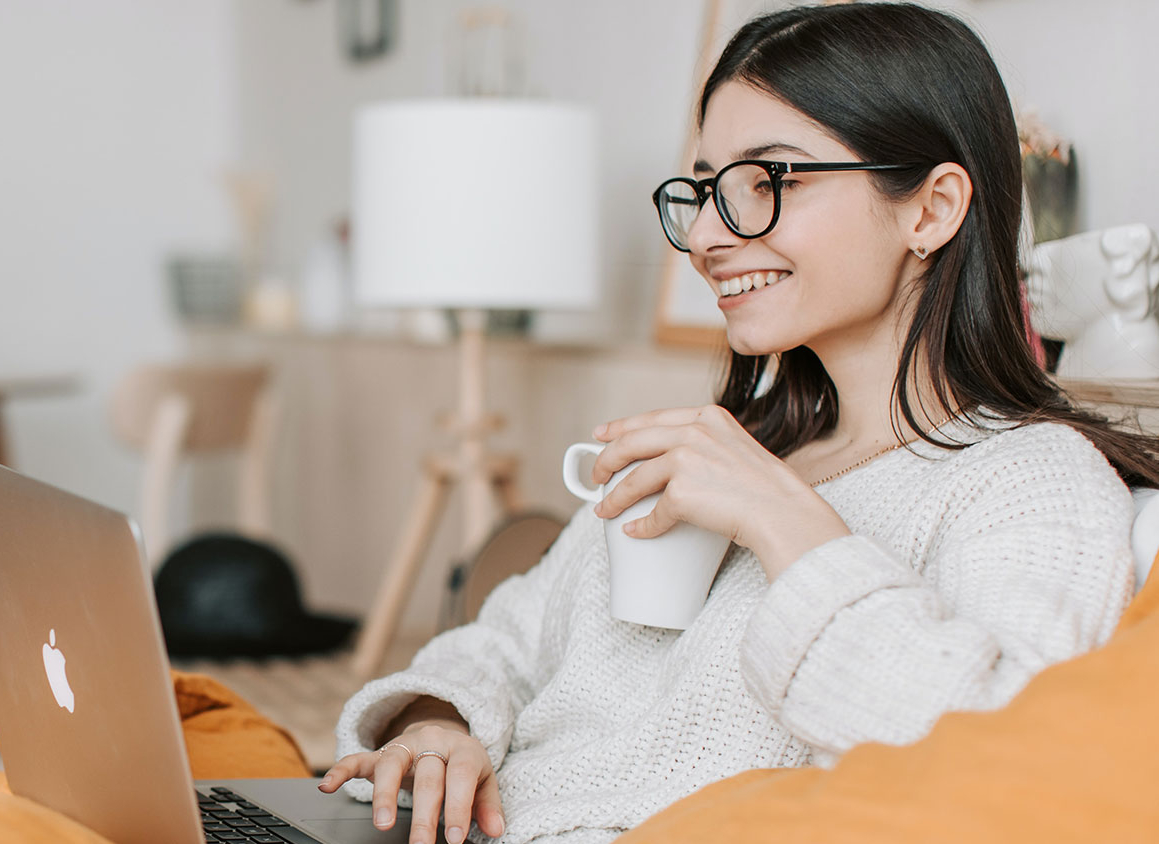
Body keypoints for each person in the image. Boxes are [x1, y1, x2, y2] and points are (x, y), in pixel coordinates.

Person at [318, 4, 1159, 844]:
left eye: (770, 182)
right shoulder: (732, 445)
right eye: (708, 190)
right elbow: (502, 641)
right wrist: (438, 725)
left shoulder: (1028, 480)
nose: (710, 237)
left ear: (932, 209)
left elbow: (996, 757)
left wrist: (783, 519)